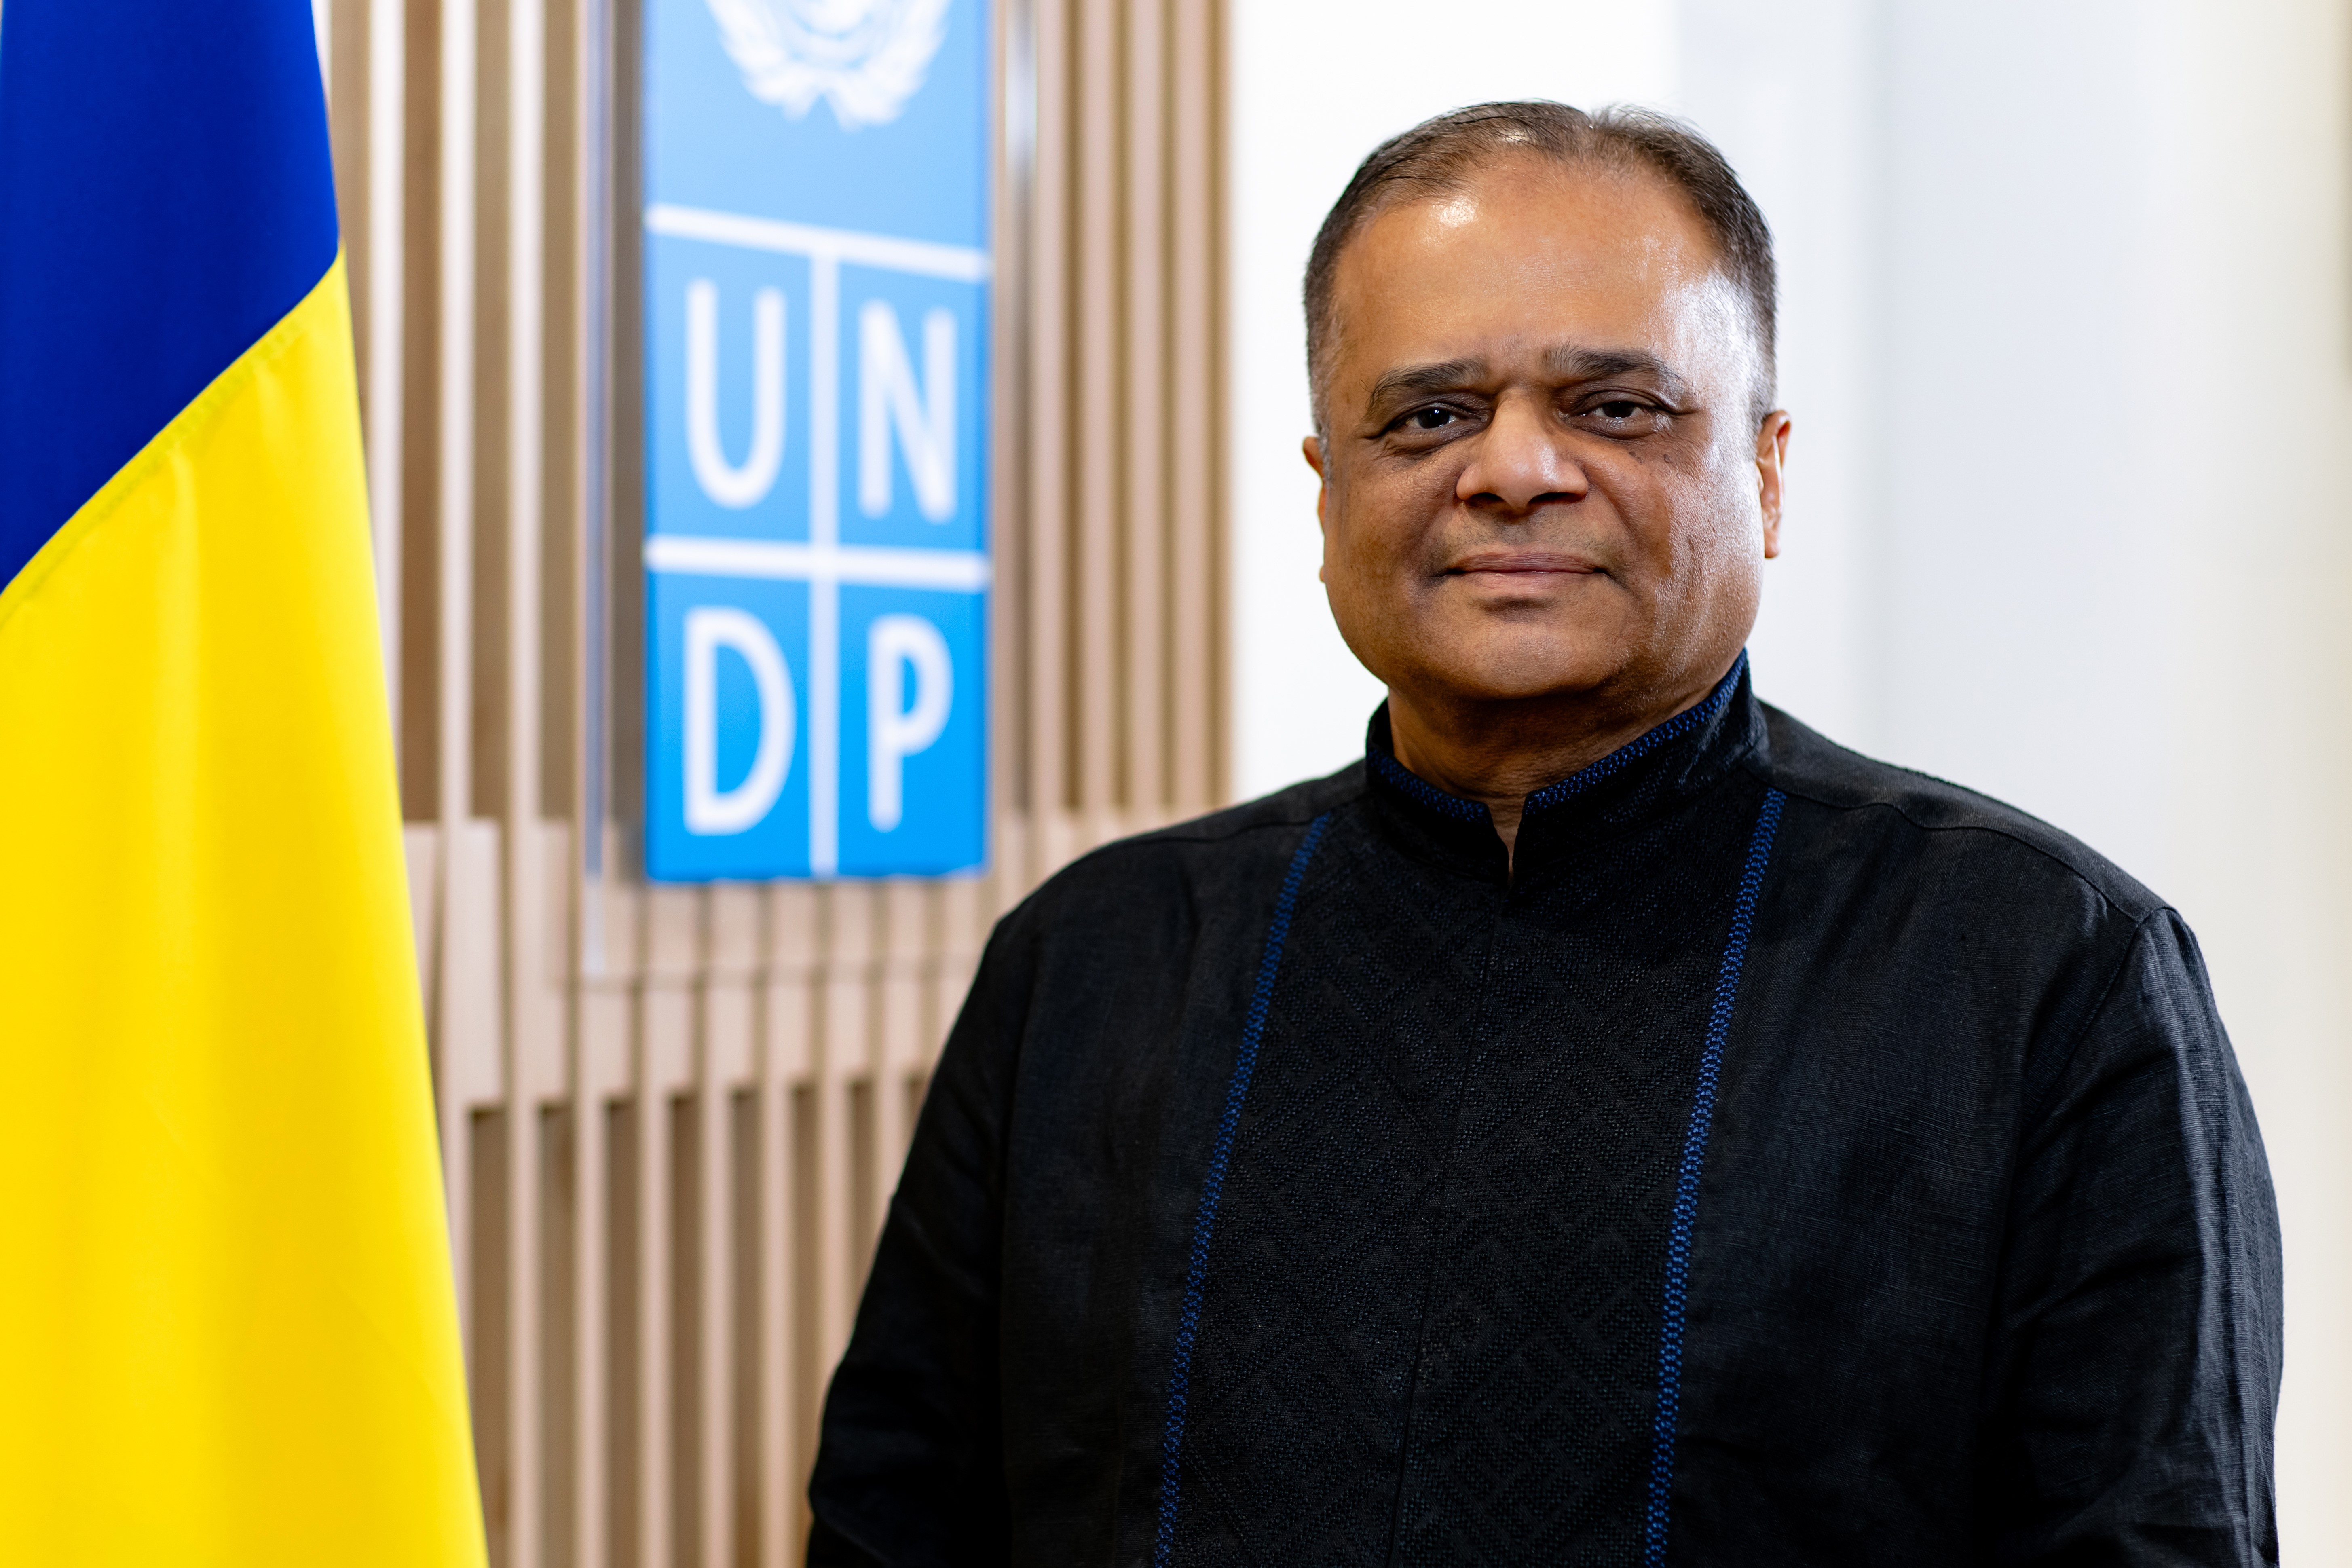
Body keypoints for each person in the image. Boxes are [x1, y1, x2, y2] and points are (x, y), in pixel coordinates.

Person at [807, 102, 2282, 1566]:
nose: (1512, 469)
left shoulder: (2038, 972)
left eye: (1614, 408)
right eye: (1429, 415)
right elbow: (895, 1522)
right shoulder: (1101, 961)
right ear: (1328, 498)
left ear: (1764, 476)